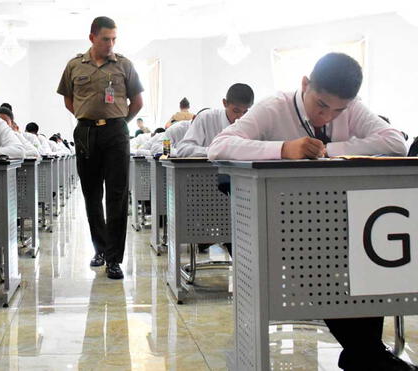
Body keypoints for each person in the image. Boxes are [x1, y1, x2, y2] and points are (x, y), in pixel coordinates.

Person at [208, 53, 411, 371]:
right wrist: (283, 149)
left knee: (366, 260)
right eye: (321, 105)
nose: (327, 116)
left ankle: (365, 355)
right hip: (284, 218)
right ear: (305, 85)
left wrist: (332, 150)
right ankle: (368, 355)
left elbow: (395, 142)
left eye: (339, 110)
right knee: (319, 265)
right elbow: (219, 146)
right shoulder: (274, 106)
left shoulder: (351, 108)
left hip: (341, 214)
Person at [57, 16, 143, 279]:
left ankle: (115, 259)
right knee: (91, 194)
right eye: (106, 39)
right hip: (85, 132)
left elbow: (137, 102)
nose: (111, 44)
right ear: (92, 37)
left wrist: (117, 122)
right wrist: (90, 119)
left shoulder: (124, 65)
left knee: (117, 195)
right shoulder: (74, 65)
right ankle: (101, 250)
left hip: (116, 131)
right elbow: (69, 101)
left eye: (114, 39)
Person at [176, 83, 254, 157]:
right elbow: (183, 149)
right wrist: (213, 151)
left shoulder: (250, 123)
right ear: (225, 103)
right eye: (236, 111)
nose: (240, 117)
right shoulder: (206, 118)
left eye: (245, 112)